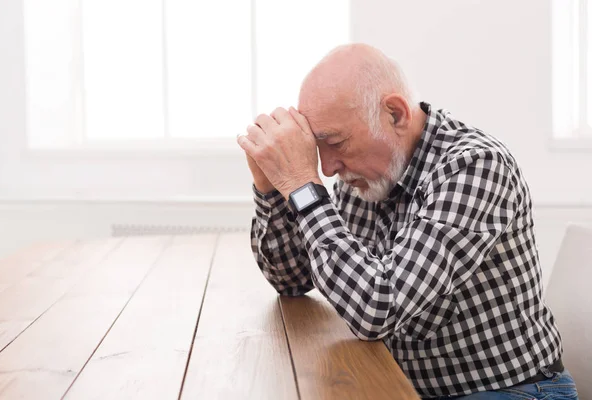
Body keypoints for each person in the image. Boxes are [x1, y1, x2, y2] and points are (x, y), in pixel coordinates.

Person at [236, 43, 577, 399]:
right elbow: (293, 279)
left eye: (335, 142)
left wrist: (303, 187)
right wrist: (271, 188)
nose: (327, 168)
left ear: (395, 115)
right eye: (319, 148)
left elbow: (376, 307)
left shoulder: (475, 167)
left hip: (513, 391)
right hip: (405, 386)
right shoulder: (366, 176)